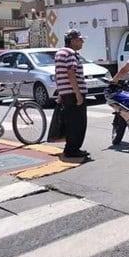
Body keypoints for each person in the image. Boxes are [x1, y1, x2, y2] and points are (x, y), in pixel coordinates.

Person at [54, 29, 89, 159]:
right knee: (78, 123)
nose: (82, 42)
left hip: (66, 92)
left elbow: (58, 73)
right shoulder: (70, 53)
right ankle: (72, 150)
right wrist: (78, 94)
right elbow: (71, 73)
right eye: (80, 40)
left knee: (71, 122)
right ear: (73, 41)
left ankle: (72, 148)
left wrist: (60, 92)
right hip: (73, 93)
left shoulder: (60, 52)